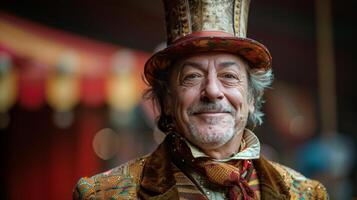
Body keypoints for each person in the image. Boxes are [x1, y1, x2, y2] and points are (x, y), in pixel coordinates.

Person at [73, 0, 328, 199]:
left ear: (251, 97)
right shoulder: (104, 195)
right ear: (168, 100)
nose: (213, 90)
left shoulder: (305, 195)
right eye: (192, 77)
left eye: (229, 76)